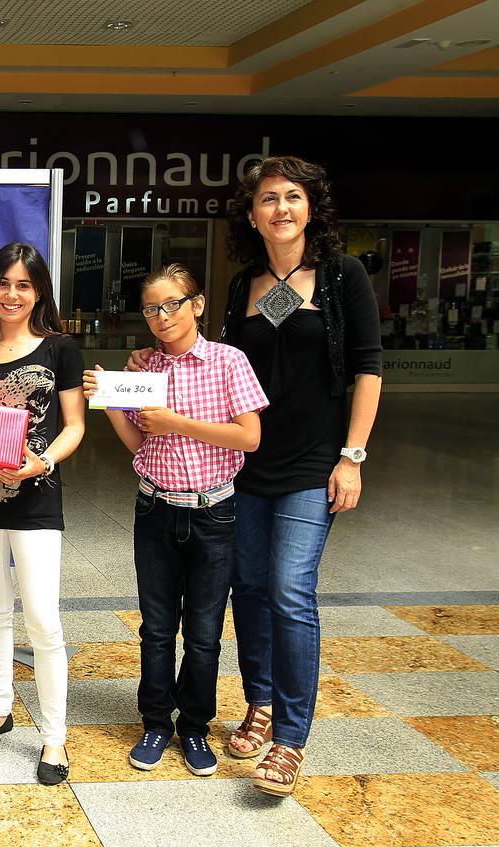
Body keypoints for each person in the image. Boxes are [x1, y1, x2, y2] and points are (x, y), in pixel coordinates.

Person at [130, 156, 382, 796]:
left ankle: (290, 738)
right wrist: (146, 366)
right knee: (246, 586)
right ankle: (260, 700)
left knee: (290, 589)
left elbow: (368, 369)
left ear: (311, 207)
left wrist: (351, 456)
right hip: (245, 465)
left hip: (312, 461)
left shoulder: (341, 275)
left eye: (292, 196)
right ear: (252, 215)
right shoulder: (246, 283)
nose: (281, 209)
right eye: (268, 199)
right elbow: (213, 365)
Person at [85, 264, 267, 778]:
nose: (162, 317)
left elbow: (250, 437)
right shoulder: (144, 369)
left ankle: (194, 727)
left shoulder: (229, 361)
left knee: (205, 632)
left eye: (172, 305)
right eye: (151, 309)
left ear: (197, 305)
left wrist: (177, 423)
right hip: (156, 509)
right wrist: (110, 400)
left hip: (214, 512)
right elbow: (139, 445)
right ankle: (155, 722)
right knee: (157, 627)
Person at [0, 243, 85, 785]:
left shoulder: (60, 349)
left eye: (24, 285)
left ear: (39, 293)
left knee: (43, 620)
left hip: (37, 500)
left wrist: (41, 462)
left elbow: (74, 426)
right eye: (3, 283)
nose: (12, 294)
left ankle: (54, 736)